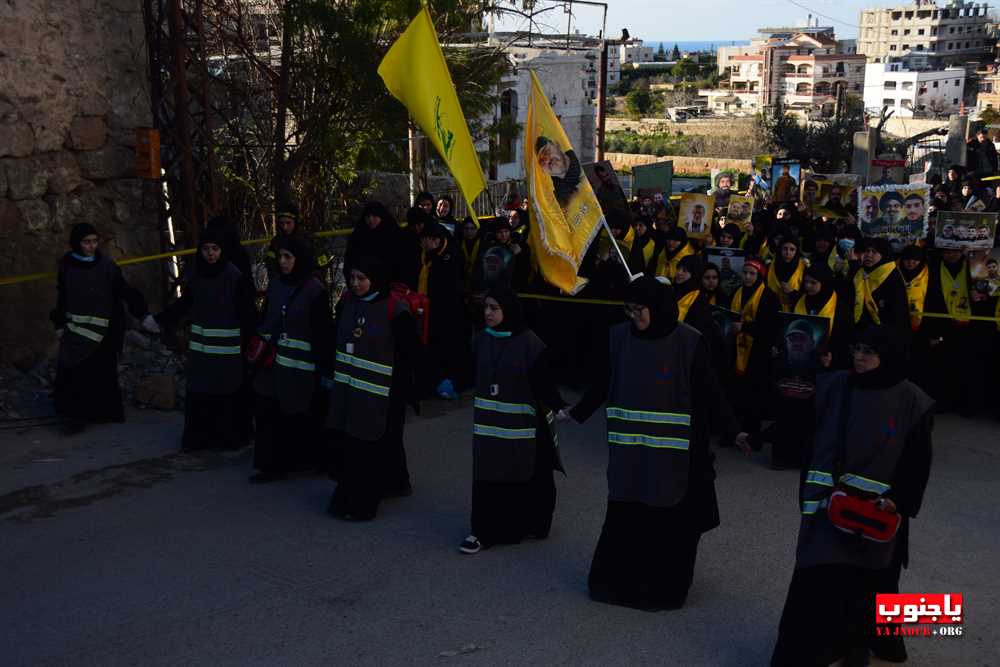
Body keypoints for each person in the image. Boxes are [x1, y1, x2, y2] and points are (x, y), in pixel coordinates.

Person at [566, 276, 747, 611]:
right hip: (630, 455)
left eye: (640, 309)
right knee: (626, 519)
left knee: (667, 526)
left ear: (660, 307)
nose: (633, 316)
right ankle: (615, 585)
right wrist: (576, 413)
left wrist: (735, 430)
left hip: (675, 459)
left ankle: (660, 590)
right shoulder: (619, 337)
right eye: (629, 309)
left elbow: (711, 392)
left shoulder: (688, 342)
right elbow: (604, 381)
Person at [771, 325, 933, 667]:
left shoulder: (912, 401)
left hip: (876, 515)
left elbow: (917, 462)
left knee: (864, 587)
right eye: (857, 349)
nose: (859, 357)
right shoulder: (834, 385)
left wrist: (899, 501)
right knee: (816, 582)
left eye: (869, 352)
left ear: (886, 356)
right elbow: (807, 432)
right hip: (827, 507)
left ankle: (855, 647)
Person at [460, 288, 568, 554]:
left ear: (508, 310)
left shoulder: (530, 343)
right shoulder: (481, 339)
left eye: (494, 308)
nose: (488, 313)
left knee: (530, 473)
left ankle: (532, 523)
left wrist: (560, 406)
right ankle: (482, 531)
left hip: (525, 426)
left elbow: (543, 382)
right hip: (489, 427)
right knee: (488, 475)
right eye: (485, 307)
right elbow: (467, 369)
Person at [327, 255, 419, 520]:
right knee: (362, 443)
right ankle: (394, 483)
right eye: (352, 278)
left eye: (361, 279)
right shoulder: (347, 303)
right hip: (351, 389)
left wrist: (403, 392)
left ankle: (362, 503)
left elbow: (409, 353)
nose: (355, 284)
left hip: (384, 393)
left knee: (370, 446)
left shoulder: (395, 309)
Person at [153, 226, 257, 451]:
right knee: (201, 393)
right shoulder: (197, 275)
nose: (210, 254)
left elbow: (246, 312)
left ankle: (228, 438)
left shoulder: (233, 276)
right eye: (206, 249)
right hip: (202, 352)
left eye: (215, 249)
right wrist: (161, 319)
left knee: (226, 395)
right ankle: (201, 439)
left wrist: (252, 343)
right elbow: (185, 303)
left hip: (228, 353)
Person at [51, 223, 154, 435]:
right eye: (86, 242)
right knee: (75, 374)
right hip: (76, 331)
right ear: (77, 243)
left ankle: (104, 412)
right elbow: (62, 296)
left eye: (94, 241)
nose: (91, 246)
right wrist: (59, 323)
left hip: (104, 329)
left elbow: (123, 290)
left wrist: (142, 313)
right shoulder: (67, 266)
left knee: (102, 372)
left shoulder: (107, 266)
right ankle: (76, 418)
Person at [250, 236, 332, 483]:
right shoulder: (275, 285)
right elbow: (265, 319)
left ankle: (310, 460)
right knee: (269, 414)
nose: (283, 262)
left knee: (301, 414)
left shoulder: (314, 291)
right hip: (272, 365)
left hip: (301, 368)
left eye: (289, 257)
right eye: (281, 257)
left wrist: (327, 370)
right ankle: (272, 465)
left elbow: (324, 333)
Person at [728, 259, 781, 436]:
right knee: (735, 392)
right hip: (736, 349)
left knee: (754, 396)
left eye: (752, 273)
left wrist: (745, 328)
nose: (748, 277)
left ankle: (752, 434)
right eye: (745, 273)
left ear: (760, 276)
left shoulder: (769, 297)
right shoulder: (737, 292)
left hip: (757, 352)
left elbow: (770, 327)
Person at [416, 221, 464, 400]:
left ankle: (449, 382)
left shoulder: (450, 255)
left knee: (447, 347)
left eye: (425, 240)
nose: (422, 244)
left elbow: (451, 287)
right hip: (427, 309)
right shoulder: (425, 255)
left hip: (447, 311)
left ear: (435, 240)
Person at [851, 237, 910, 341]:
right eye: (867, 251)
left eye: (874, 252)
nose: (869, 255)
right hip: (861, 331)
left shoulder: (891, 277)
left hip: (885, 334)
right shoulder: (861, 272)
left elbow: (897, 312)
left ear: (884, 254)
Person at [344, 202, 407, 288]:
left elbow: (399, 262)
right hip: (361, 286)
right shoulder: (359, 234)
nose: (371, 220)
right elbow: (349, 260)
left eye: (374, 216)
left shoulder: (392, 234)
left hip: (388, 286)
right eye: (368, 217)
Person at [536, 135, 582, 207]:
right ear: (543, 171)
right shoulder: (555, 202)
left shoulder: (587, 173)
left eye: (546, 151)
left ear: (557, 146)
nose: (546, 160)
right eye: (541, 161)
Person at [767, 236, 806, 312]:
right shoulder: (770, 267)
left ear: (796, 251)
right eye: (785, 249)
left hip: (794, 311)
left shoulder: (803, 268)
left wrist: (792, 292)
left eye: (792, 249)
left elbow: (806, 295)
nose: (788, 253)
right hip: (772, 311)